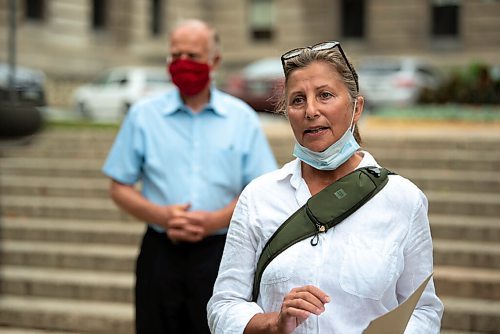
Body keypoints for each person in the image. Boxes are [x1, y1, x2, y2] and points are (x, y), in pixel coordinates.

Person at [207, 41, 443, 334]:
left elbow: (423, 309)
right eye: (297, 100)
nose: (311, 110)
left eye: (325, 95)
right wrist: (273, 324)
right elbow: (224, 305)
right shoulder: (259, 196)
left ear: (357, 108)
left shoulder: (402, 199)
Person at [102, 19, 277, 334]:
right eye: (175, 55)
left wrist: (213, 220)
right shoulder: (143, 115)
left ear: (215, 61)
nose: (183, 63)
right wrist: (163, 216)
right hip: (160, 252)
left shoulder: (242, 119)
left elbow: (259, 191)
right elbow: (119, 186)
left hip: (222, 254)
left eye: (193, 56)